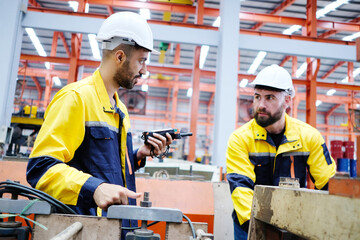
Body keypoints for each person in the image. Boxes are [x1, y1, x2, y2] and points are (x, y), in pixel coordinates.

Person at [26, 11, 172, 237]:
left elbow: (106, 165)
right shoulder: (75, 98)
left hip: (115, 227)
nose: (144, 70)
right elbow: (41, 169)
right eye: (141, 61)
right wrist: (94, 188)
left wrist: (139, 156)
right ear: (120, 57)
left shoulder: (120, 109)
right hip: (85, 228)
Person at [226, 64, 336, 240]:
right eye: (257, 97)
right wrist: (257, 228)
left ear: (287, 101)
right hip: (249, 224)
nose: (260, 105)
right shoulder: (240, 139)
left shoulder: (309, 137)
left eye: (269, 98)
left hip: (295, 223)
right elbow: (241, 189)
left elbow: (329, 185)